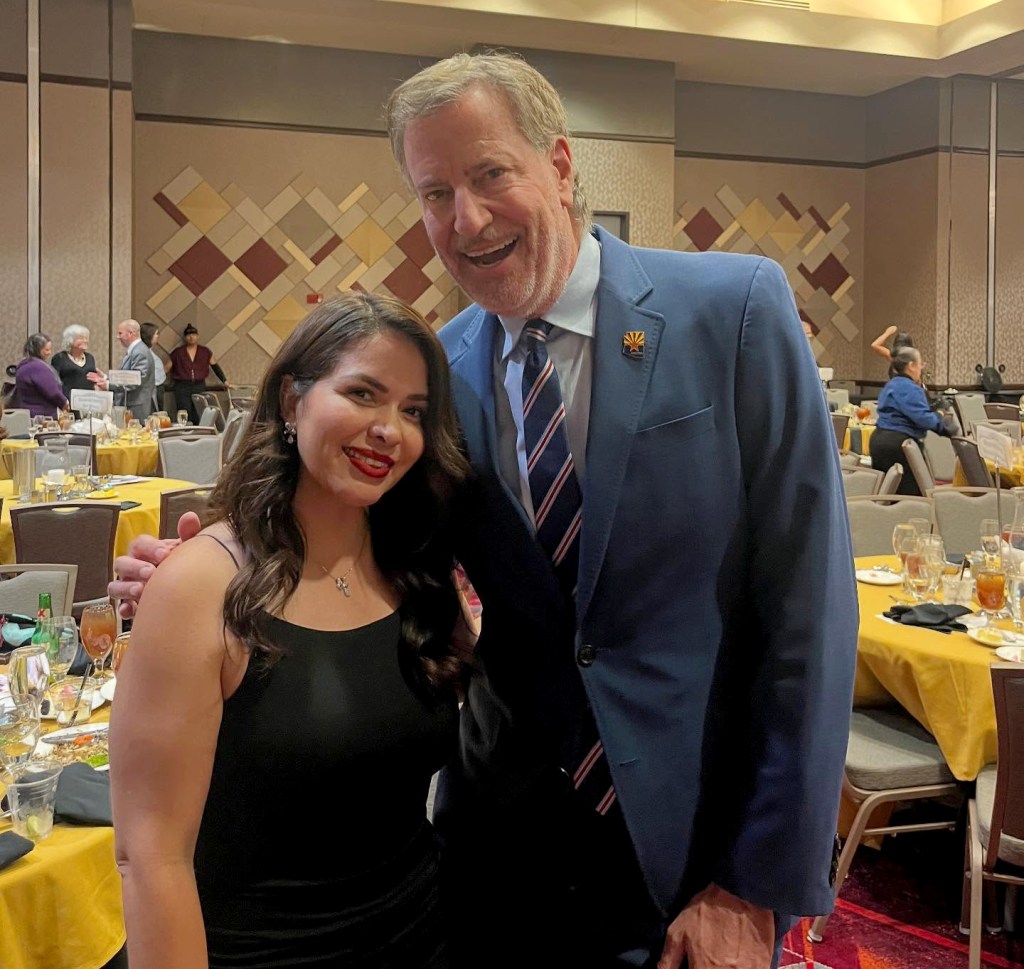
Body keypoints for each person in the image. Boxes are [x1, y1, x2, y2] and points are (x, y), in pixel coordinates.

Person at [113, 51, 858, 969]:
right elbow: (369, 545)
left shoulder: (734, 309)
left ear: (558, 163)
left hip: (688, 858)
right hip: (490, 850)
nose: (463, 219)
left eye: (489, 174)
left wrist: (755, 881)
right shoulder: (439, 373)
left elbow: (811, 614)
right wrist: (208, 573)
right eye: (433, 193)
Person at [110, 292, 471, 968]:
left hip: (422, 938)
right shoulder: (200, 585)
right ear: (290, 401)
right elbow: (151, 856)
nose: (390, 429)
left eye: (413, 411)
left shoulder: (415, 568)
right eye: (363, 393)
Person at [869, 347, 955, 495]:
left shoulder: (891, 385)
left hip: (879, 441)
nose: (921, 368)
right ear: (911, 365)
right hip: (898, 446)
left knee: (886, 496)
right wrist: (943, 425)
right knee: (911, 496)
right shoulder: (910, 388)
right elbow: (923, 418)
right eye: (920, 364)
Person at [166, 324, 226, 425]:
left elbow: (215, 366)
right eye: (189, 334)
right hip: (182, 386)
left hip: (199, 385)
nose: (191, 337)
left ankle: (199, 434)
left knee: (200, 411)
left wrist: (225, 381)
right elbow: (166, 368)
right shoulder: (178, 352)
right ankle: (185, 434)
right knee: (184, 412)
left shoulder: (205, 351)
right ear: (185, 337)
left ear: (197, 336)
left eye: (193, 334)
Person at [8, 333, 68, 418]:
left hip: (27, 413)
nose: (49, 353)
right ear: (37, 349)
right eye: (47, 350)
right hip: (42, 415)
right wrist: (64, 403)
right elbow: (52, 391)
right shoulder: (37, 367)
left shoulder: (24, 365)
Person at [50, 325, 108, 404]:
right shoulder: (60, 358)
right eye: (81, 338)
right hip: (68, 402)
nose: (85, 341)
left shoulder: (90, 358)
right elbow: (55, 382)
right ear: (70, 340)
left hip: (88, 402)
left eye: (86, 338)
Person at [114, 319, 155, 421]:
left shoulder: (139, 352)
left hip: (137, 405)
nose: (117, 337)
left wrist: (107, 385)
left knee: (137, 434)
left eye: (120, 333)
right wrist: (106, 378)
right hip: (134, 403)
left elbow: (135, 381)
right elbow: (127, 375)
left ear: (130, 333)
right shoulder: (137, 350)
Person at [139, 321, 165, 414]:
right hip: (152, 390)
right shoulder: (143, 352)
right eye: (156, 334)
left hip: (158, 388)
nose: (158, 336)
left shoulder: (148, 351)